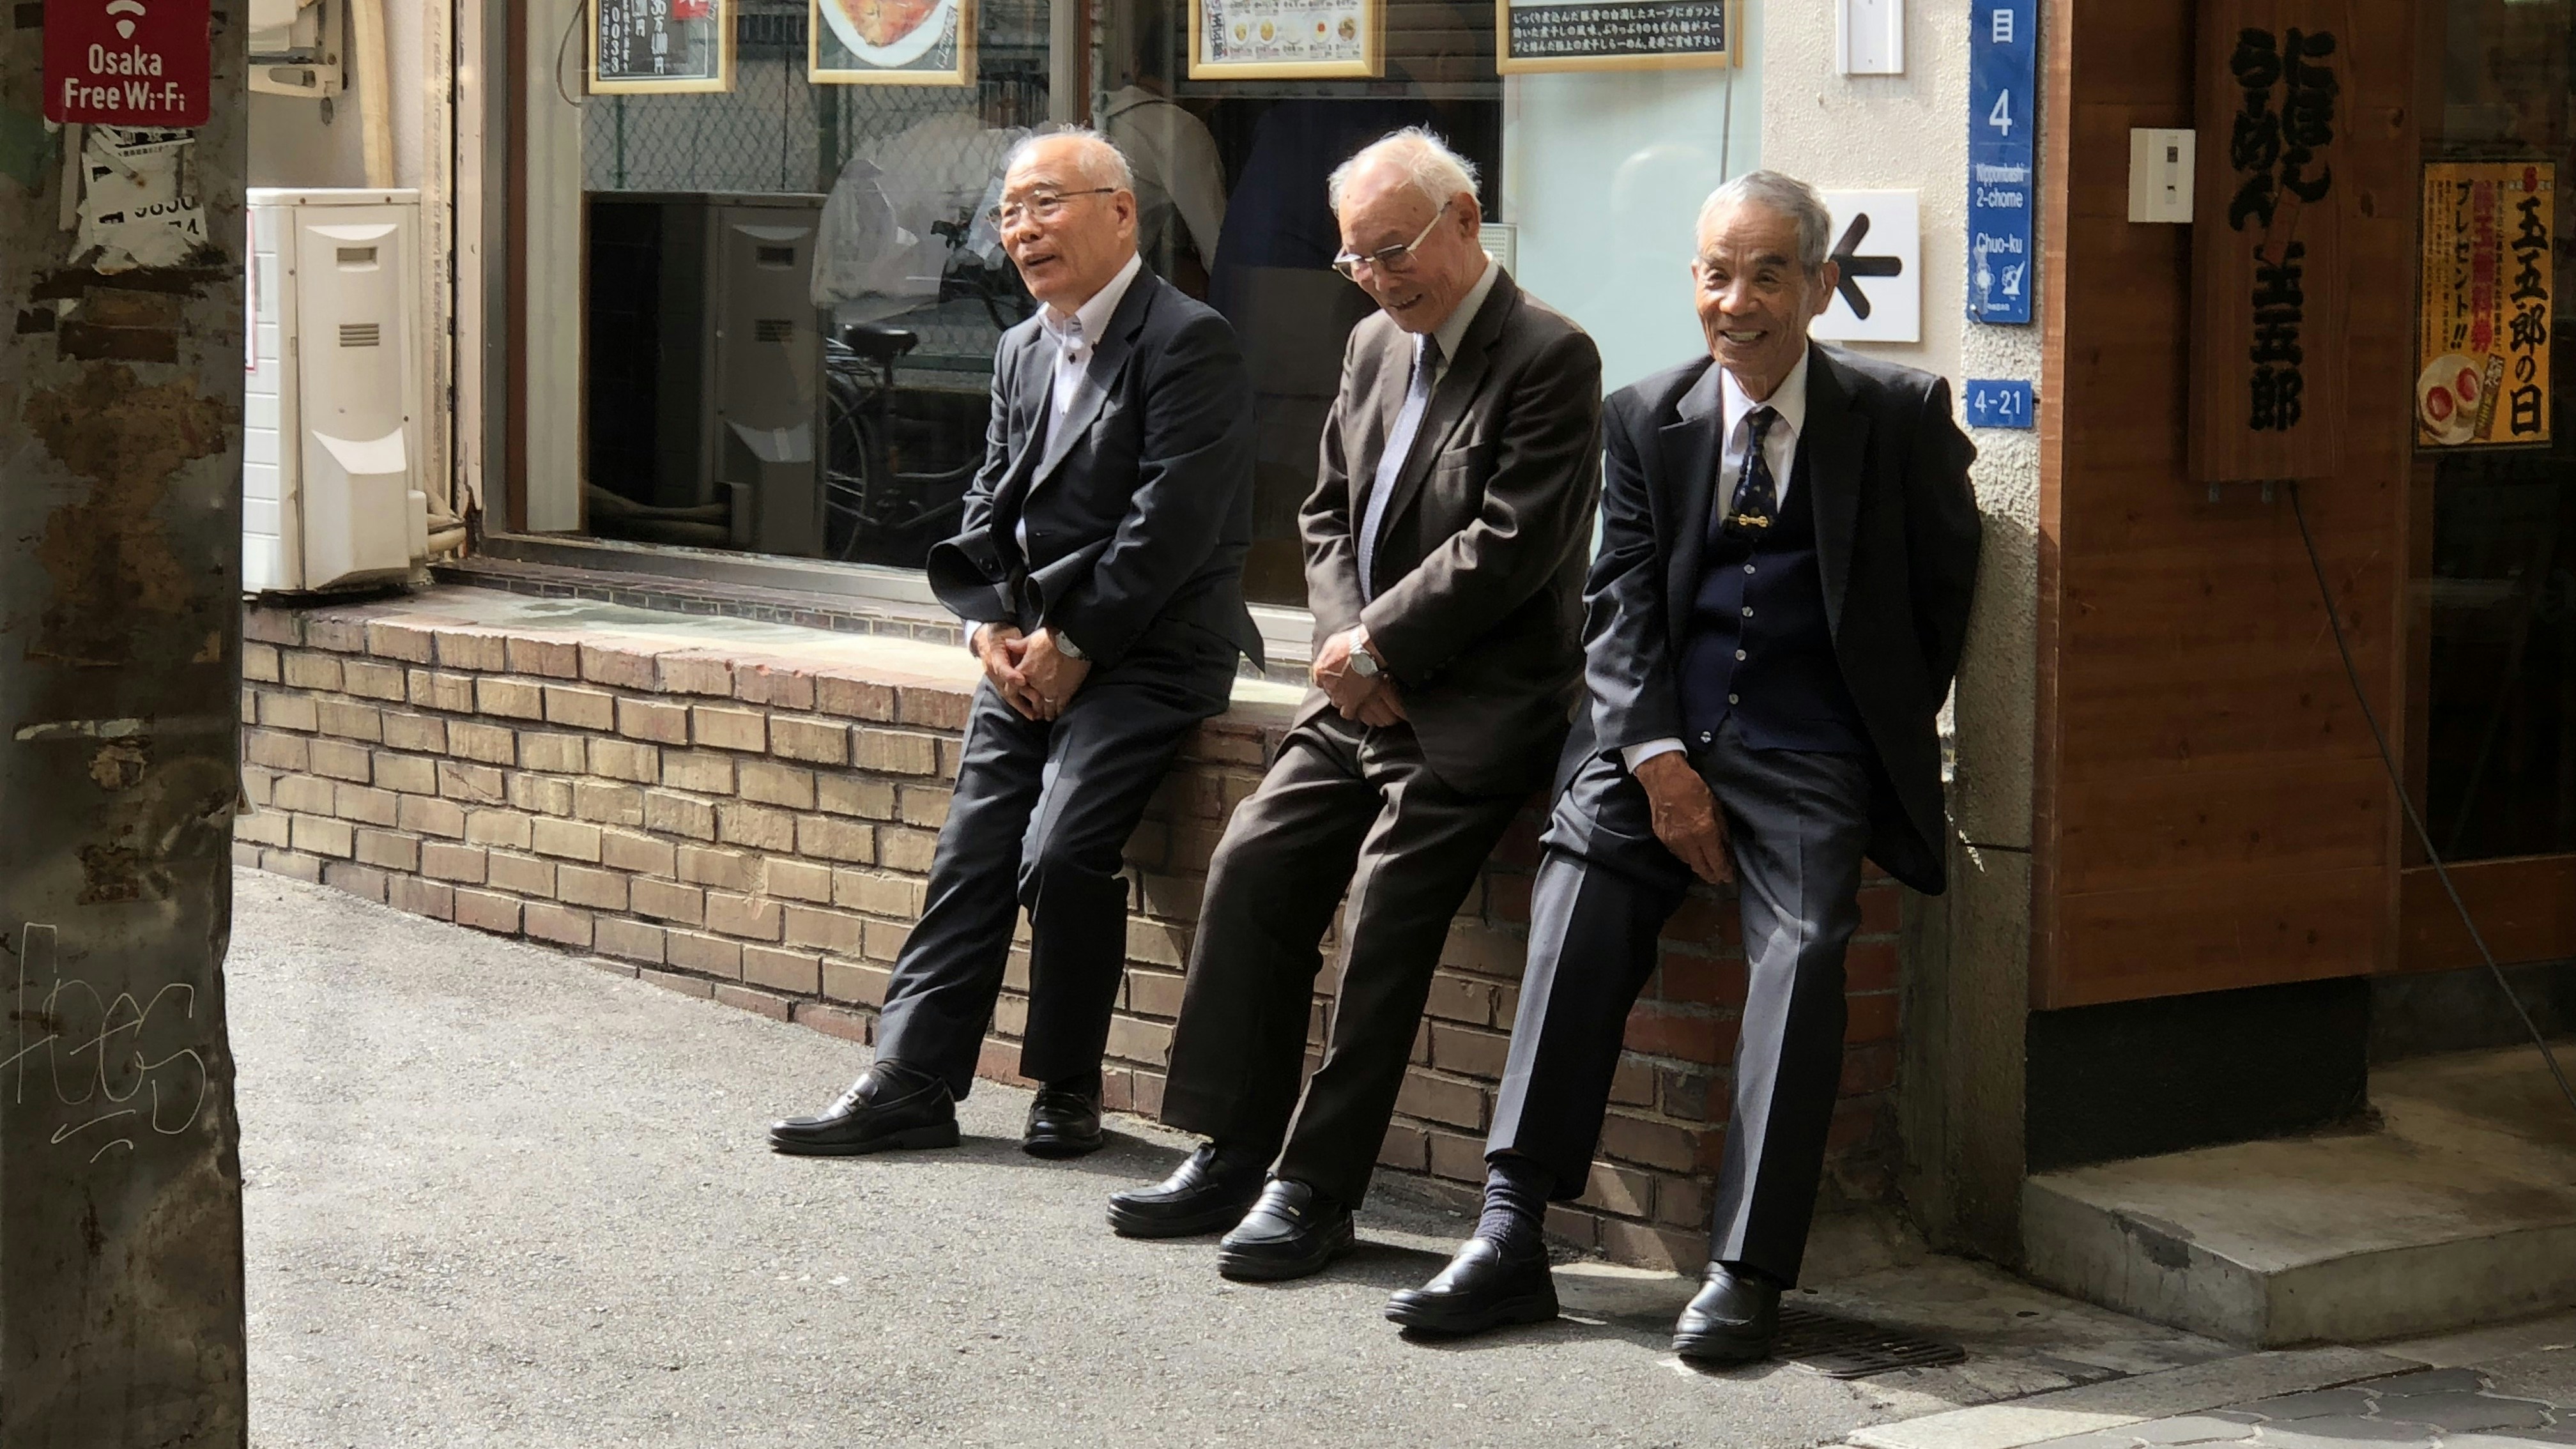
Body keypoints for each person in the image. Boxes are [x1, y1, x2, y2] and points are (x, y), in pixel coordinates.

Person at [1383, 170, 1981, 1359]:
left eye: (1768, 274)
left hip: (1812, 751)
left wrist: (1864, 741)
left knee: (1805, 949)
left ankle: (1749, 1268)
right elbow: (1618, 607)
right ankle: (1511, 1233)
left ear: (1819, 285)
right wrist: (1654, 757)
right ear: (1692, 284)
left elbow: (1936, 603)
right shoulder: (1645, 416)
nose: (1738, 301)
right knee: (1579, 885)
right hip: (1656, 738)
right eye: (1716, 274)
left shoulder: (1899, 415)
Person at [1108, 128, 1604, 1282]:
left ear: (1466, 222)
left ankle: (1317, 1186)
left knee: (1383, 917)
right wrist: (1345, 643)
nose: (1380, 279)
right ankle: (1234, 1147)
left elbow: (1514, 545)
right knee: (1253, 862)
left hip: (1473, 707)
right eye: (1358, 262)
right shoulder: (1375, 345)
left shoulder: (1550, 356)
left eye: (1394, 252)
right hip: (1356, 696)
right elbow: (1326, 512)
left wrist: (1379, 642)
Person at [767, 131, 1262, 1162]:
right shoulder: (1020, 347)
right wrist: (987, 622)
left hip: (1152, 649)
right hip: (1030, 645)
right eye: (1009, 213)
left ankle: (1069, 1085)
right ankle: (911, 1080)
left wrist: (1076, 641)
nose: (1022, 231)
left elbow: (1170, 522)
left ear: (1121, 212)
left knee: (1062, 852)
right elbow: (990, 497)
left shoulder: (1189, 339)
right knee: (972, 853)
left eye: (1047, 204)